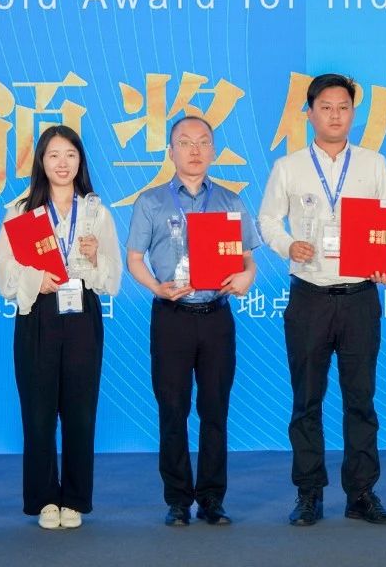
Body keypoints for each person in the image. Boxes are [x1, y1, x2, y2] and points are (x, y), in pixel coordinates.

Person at [258, 73, 386, 527]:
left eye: (343, 107)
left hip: (359, 296)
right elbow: (267, 219)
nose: (335, 115)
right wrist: (288, 245)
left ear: (353, 114)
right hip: (310, 297)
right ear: (309, 113)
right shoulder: (290, 167)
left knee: (361, 400)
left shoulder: (373, 164)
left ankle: (362, 494)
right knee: (307, 400)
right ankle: (308, 494)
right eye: (326, 107)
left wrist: (382, 258)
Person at [126, 116, 261, 527]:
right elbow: (134, 258)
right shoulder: (151, 202)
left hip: (216, 316)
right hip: (172, 317)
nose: (195, 150)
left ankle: (213, 499)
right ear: (171, 152)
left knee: (215, 410)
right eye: (185, 143)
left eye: (203, 142)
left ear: (214, 150)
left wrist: (246, 277)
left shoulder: (230, 201)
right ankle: (178, 500)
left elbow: (248, 259)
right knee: (173, 410)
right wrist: (156, 287)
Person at [0, 126, 121, 530]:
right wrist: (35, 279)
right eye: (53, 155)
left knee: (81, 412)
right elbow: (1, 266)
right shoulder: (21, 210)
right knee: (38, 412)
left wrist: (96, 257)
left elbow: (113, 277)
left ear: (80, 161)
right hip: (38, 313)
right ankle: (45, 498)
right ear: (41, 162)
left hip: (82, 312)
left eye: (70, 155)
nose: (62, 163)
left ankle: (76, 499)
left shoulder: (96, 212)